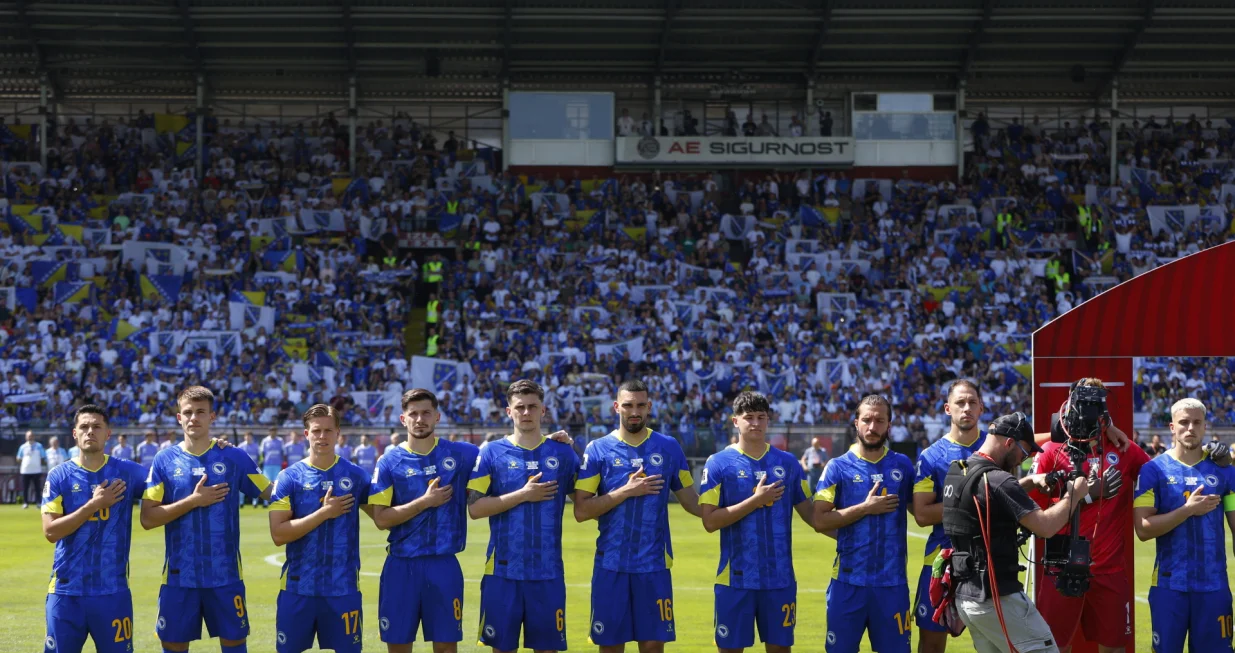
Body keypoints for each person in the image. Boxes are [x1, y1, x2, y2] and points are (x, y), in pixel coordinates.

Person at [140, 386, 273, 653]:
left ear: (212, 417)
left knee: (235, 642)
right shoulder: (164, 460)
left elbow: (273, 493)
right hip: (179, 576)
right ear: (179, 418)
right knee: (174, 644)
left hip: (225, 574)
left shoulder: (233, 456)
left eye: (201, 412)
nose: (193, 418)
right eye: (187, 412)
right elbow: (147, 518)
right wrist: (193, 500)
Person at [941, 412, 1088, 653]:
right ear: (1009, 443)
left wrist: (1029, 482)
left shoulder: (959, 471)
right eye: (1025, 451)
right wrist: (1074, 495)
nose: (1024, 459)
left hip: (966, 596)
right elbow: (1046, 527)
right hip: (997, 596)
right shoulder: (1000, 480)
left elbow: (987, 494)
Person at [573, 380, 701, 653]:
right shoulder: (598, 449)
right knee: (610, 646)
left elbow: (693, 503)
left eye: (640, 405)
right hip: (611, 565)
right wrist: (626, 491)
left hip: (654, 565)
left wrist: (744, 505)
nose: (634, 411)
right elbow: (582, 511)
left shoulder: (668, 447)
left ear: (649, 407)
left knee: (654, 646)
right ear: (616, 407)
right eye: (628, 405)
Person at [1031, 378, 1148, 653]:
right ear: (1069, 406)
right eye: (1082, 404)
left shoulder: (1124, 449)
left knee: (1115, 647)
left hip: (1109, 570)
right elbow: (1032, 512)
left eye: (1094, 405)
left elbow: (1162, 474)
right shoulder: (1050, 451)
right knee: (1054, 648)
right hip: (1061, 567)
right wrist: (1084, 495)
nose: (1087, 412)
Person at [466, 379, 581, 653]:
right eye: (520, 407)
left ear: (543, 411)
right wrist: (522, 495)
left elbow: (586, 505)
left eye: (532, 407)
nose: (526, 412)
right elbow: (474, 509)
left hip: (548, 571)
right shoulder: (491, 453)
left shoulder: (563, 453)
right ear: (509, 411)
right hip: (503, 572)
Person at [698, 391, 813, 653]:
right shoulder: (718, 464)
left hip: (780, 579)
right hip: (735, 579)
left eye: (761, 417)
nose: (756, 423)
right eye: (748, 417)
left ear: (768, 421)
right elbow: (709, 521)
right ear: (735, 421)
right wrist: (755, 500)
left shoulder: (788, 463)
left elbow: (814, 516)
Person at [368, 389, 481, 653]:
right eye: (414, 414)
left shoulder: (462, 454)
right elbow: (381, 519)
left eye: (426, 413)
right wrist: (424, 502)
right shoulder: (389, 461)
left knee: (445, 647)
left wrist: (551, 441)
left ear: (437, 416)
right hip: (401, 565)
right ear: (403, 419)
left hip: (443, 565)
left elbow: (507, 451)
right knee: (398, 645)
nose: (420, 419)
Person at [41, 405, 148, 653]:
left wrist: (208, 444)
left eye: (97, 426)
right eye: (84, 427)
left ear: (108, 433)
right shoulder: (59, 476)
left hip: (113, 592)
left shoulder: (128, 472)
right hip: (67, 592)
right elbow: (50, 532)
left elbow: (169, 482)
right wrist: (94, 505)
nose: (91, 431)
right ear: (75, 434)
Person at [814, 395, 915, 653]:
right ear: (856, 423)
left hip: (892, 584)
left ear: (889, 424)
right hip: (848, 583)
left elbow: (922, 512)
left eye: (879, 420)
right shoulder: (837, 467)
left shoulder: (902, 466)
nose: (872, 427)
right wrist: (864, 509)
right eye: (867, 420)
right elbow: (819, 519)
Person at [1133, 398, 1235, 653]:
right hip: (1169, 587)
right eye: (1184, 422)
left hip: (1214, 587)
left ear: (1204, 427)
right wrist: (1188, 510)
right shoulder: (1151, 470)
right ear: (1171, 427)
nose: (1190, 428)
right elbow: (1143, 529)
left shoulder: (1225, 471)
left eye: (1196, 422)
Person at [269, 404, 373, 653]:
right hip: (297, 588)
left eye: (328, 431)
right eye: (316, 431)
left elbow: (384, 516)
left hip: (343, 589)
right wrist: (325, 513)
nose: (322, 437)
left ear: (338, 433)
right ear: (306, 434)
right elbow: (278, 534)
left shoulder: (356, 476)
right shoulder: (289, 478)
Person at [912, 380, 987, 653]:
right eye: (959, 403)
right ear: (947, 408)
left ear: (981, 408)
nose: (966, 408)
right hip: (940, 563)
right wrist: (969, 502)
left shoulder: (998, 449)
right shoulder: (931, 457)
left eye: (972, 403)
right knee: (931, 644)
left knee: (995, 643)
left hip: (989, 561)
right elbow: (921, 514)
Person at [18, 430, 46, 508]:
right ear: (26, 437)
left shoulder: (39, 446)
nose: (30, 437)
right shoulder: (22, 447)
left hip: (36, 470)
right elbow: (18, 458)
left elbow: (43, 457)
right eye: (28, 436)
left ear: (33, 436)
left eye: (31, 435)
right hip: (25, 471)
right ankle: (25, 503)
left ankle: (38, 503)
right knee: (25, 488)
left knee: (37, 488)